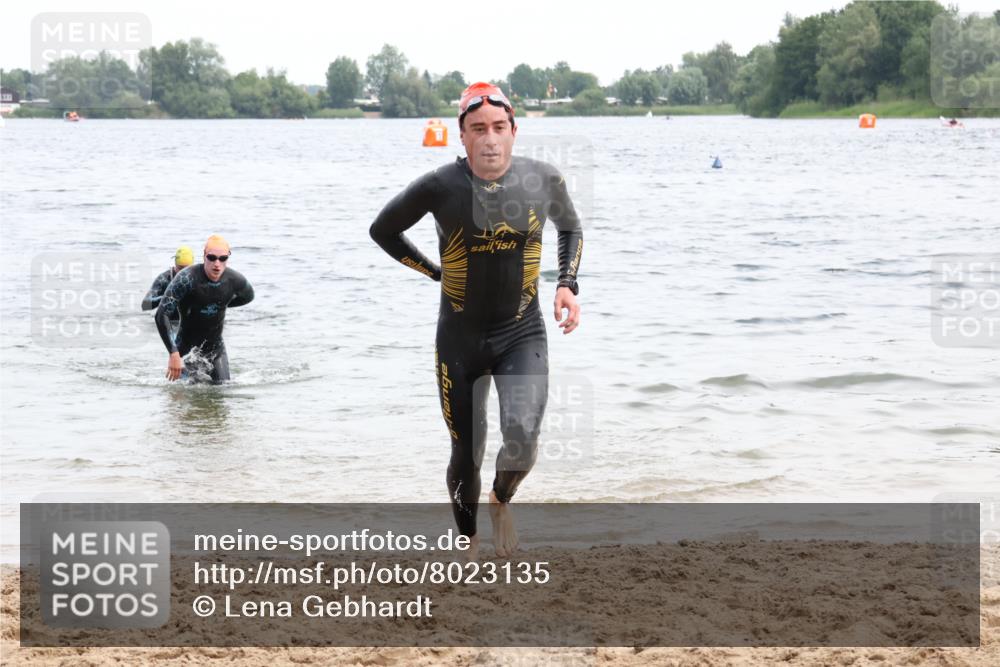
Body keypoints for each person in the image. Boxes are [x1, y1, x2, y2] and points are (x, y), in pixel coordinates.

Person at [370, 82, 583, 558]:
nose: (490, 138)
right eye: (478, 129)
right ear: (461, 137)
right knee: (466, 451)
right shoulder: (439, 185)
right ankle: (465, 542)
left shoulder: (543, 179)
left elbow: (569, 225)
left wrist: (567, 283)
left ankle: (501, 500)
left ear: (514, 131)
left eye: (499, 128)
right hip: (459, 338)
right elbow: (382, 230)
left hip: (520, 331)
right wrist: (433, 271)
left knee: (523, 437)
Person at [154, 235, 254, 384]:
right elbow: (161, 315)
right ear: (204, 256)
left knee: (222, 392)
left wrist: (221, 304)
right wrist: (173, 353)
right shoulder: (186, 279)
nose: (217, 264)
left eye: (223, 258)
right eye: (212, 257)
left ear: (228, 257)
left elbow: (248, 297)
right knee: (180, 397)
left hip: (215, 348)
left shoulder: (234, 280)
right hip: (185, 348)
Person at [142, 246, 195, 334]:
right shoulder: (164, 279)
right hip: (169, 323)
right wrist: (166, 298)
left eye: (187, 269)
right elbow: (145, 305)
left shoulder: (198, 279)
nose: (183, 273)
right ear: (175, 264)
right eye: (180, 268)